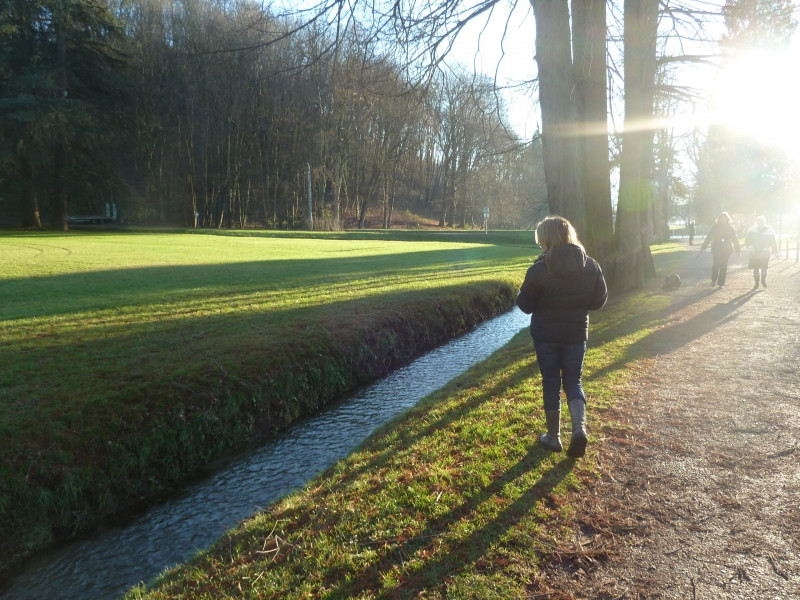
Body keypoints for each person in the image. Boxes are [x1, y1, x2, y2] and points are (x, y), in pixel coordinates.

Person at [516, 216, 608, 458]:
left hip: (546, 335)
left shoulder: (539, 269)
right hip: (576, 333)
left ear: (545, 238)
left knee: (551, 382)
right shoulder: (590, 265)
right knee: (573, 381)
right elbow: (599, 301)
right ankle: (579, 429)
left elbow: (525, 305)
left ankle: (554, 437)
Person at [700, 212, 740, 288]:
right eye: (721, 218)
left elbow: (735, 240)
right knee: (716, 265)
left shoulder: (730, 228)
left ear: (727, 219)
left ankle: (721, 283)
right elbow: (708, 238)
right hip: (716, 248)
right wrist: (703, 248)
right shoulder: (714, 228)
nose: (723, 219)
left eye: (725, 218)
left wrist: (738, 250)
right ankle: (713, 279)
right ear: (719, 219)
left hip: (726, 249)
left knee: (723, 266)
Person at [745, 215, 779, 289]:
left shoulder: (769, 230)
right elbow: (747, 240)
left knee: (764, 267)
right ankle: (756, 283)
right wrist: (750, 247)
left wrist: (776, 252)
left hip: (765, 252)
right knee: (756, 268)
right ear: (757, 222)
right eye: (759, 221)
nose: (760, 223)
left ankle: (763, 281)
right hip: (755, 252)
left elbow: (773, 242)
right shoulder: (752, 230)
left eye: (762, 221)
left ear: (764, 222)